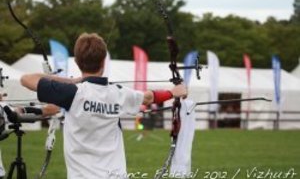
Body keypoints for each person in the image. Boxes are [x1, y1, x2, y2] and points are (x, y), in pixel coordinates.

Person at [20, 33, 187, 179]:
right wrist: (174, 92)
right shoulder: (118, 93)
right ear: (103, 61)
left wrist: (69, 81)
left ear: (77, 62)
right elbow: (149, 97)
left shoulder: (71, 93)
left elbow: (26, 79)